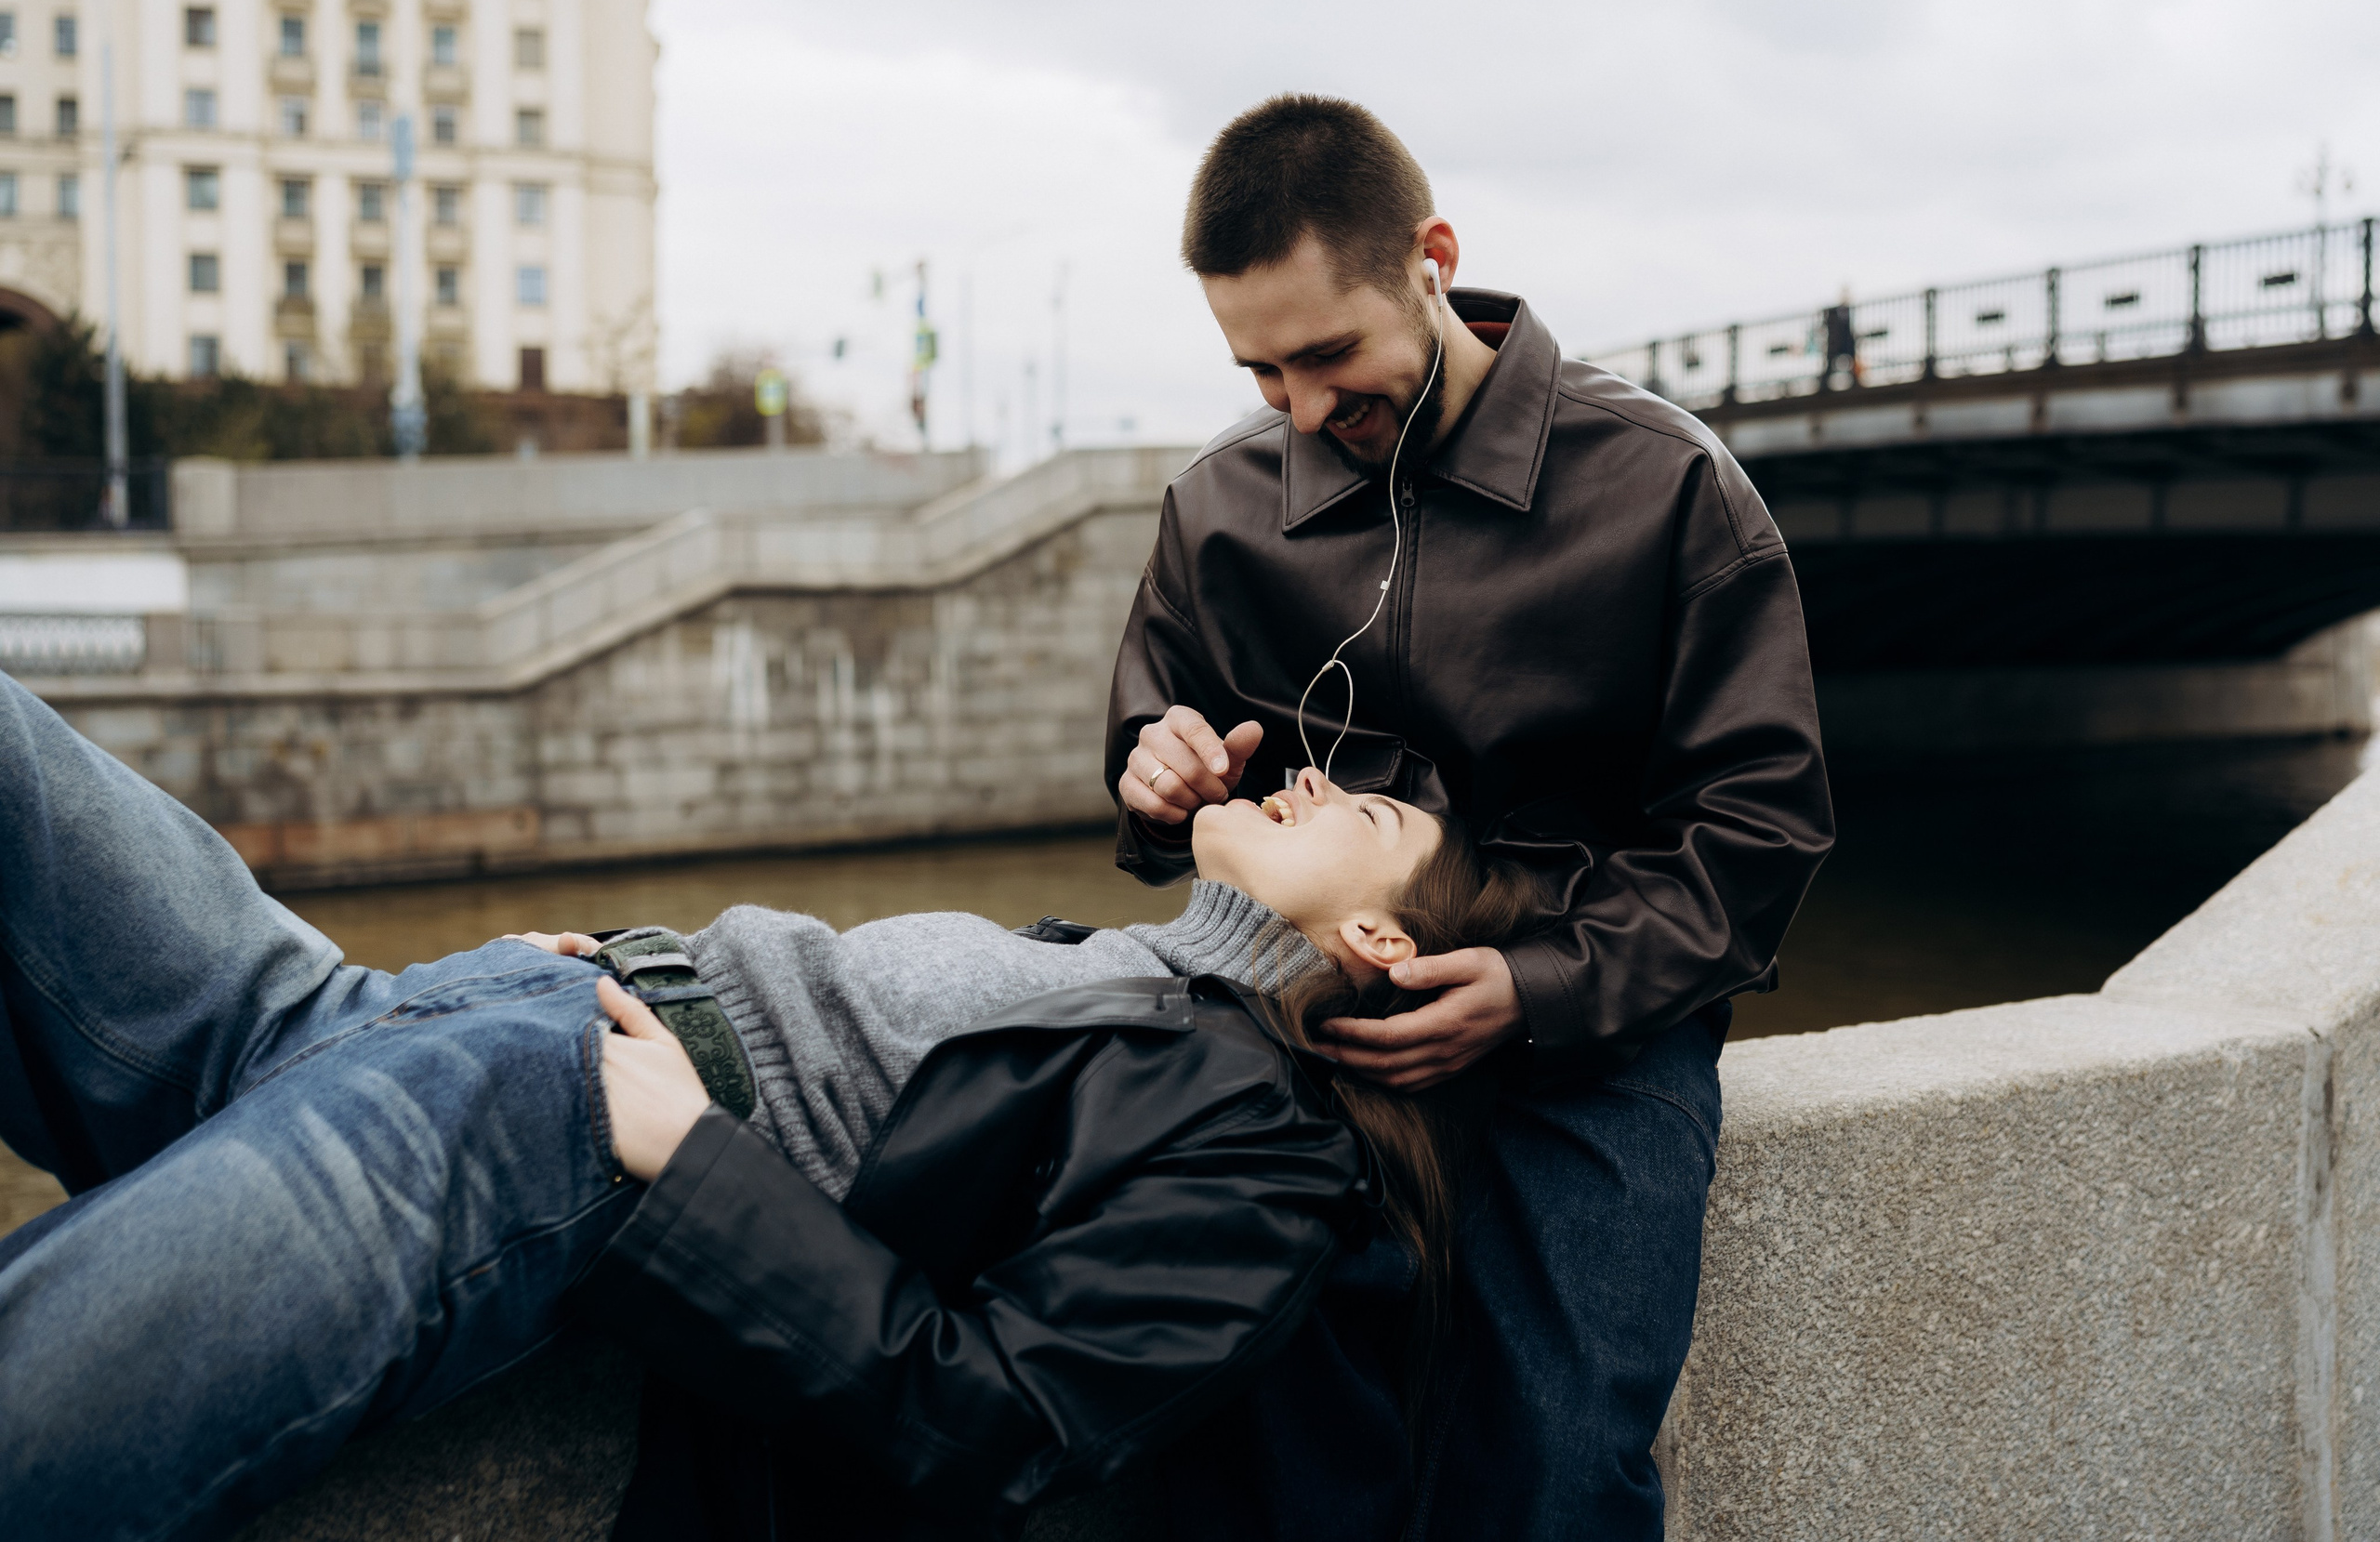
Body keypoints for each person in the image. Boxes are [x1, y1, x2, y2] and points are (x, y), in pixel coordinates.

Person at [0, 670, 1539, 1542]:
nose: (1319, 782)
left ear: (1383, 943)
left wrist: (690, 1164)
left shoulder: (1266, 1143)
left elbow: (1006, 1419)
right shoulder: (1116, 963)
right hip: (415, 1011)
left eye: (1373, 812)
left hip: (540, 1124)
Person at [1107, 95, 1834, 1537]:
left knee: (1554, 1463)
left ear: (1432, 259)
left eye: (1329, 356)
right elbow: (1152, 768)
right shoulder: (1217, 507)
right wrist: (1154, 773)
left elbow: (1758, 830)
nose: (1304, 412)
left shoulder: (1670, 486)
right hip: (1304, 1027)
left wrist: (1536, 989)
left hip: (1593, 1039)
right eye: (1260, 370)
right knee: (1250, 1432)